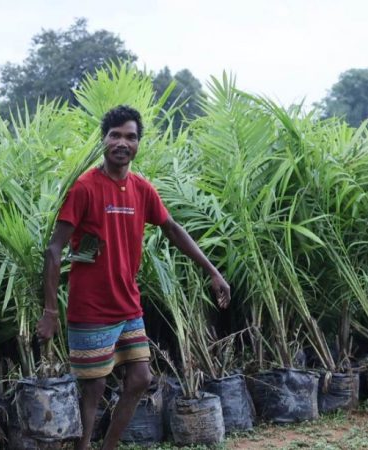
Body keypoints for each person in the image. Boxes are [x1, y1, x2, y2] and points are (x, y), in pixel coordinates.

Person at [35, 106, 231, 450]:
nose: (122, 143)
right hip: (91, 308)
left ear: (138, 143)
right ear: (103, 140)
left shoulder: (141, 188)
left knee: (141, 378)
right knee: (94, 388)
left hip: (128, 305)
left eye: (130, 136)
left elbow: (172, 228)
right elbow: (54, 249)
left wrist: (213, 271)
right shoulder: (85, 188)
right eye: (115, 135)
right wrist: (50, 312)